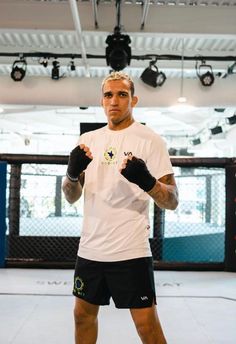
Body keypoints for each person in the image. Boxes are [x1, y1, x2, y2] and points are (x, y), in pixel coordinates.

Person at [62, 71, 179, 344]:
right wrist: (70, 175)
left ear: (133, 100)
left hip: (130, 250)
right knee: (82, 316)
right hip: (91, 249)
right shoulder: (88, 140)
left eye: (122, 94)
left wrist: (148, 182)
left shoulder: (150, 140)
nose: (114, 100)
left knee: (147, 327)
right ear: (102, 101)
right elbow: (71, 197)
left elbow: (172, 200)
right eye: (108, 95)